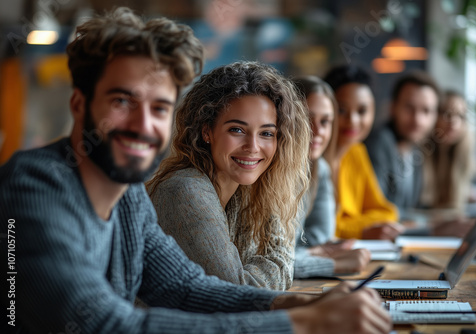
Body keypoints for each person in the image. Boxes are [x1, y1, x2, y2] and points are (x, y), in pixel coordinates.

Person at [0, 8, 392, 334]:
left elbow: (184, 288)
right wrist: (302, 322)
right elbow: (103, 323)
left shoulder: (128, 193)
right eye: (122, 101)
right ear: (79, 104)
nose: (142, 124)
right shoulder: (33, 187)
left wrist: (293, 301)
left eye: (158, 107)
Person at [147, 61, 310, 290]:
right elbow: (238, 290)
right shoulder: (186, 190)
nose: (253, 146)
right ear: (207, 131)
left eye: (266, 133)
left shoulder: (243, 192)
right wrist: (282, 260)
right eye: (237, 130)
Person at [292, 75, 371, 278]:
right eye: (307, 119)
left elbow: (322, 236)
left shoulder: (320, 167)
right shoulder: (266, 174)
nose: (318, 131)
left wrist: (305, 251)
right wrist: (317, 256)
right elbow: (267, 265)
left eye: (325, 121)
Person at [323, 65, 402, 240]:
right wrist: (361, 230)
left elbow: (386, 212)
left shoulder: (356, 152)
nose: (353, 121)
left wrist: (350, 225)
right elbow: (319, 229)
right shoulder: (310, 158)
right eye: (342, 110)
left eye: (362, 111)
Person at [364, 71, 440, 219]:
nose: (418, 120)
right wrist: (432, 223)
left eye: (426, 111)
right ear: (393, 107)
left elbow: (408, 209)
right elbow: (378, 210)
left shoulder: (415, 149)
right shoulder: (379, 143)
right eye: (409, 108)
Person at [420, 91, 476, 211]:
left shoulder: (463, 155)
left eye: (461, 116)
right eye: (447, 114)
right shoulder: (418, 155)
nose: (453, 122)